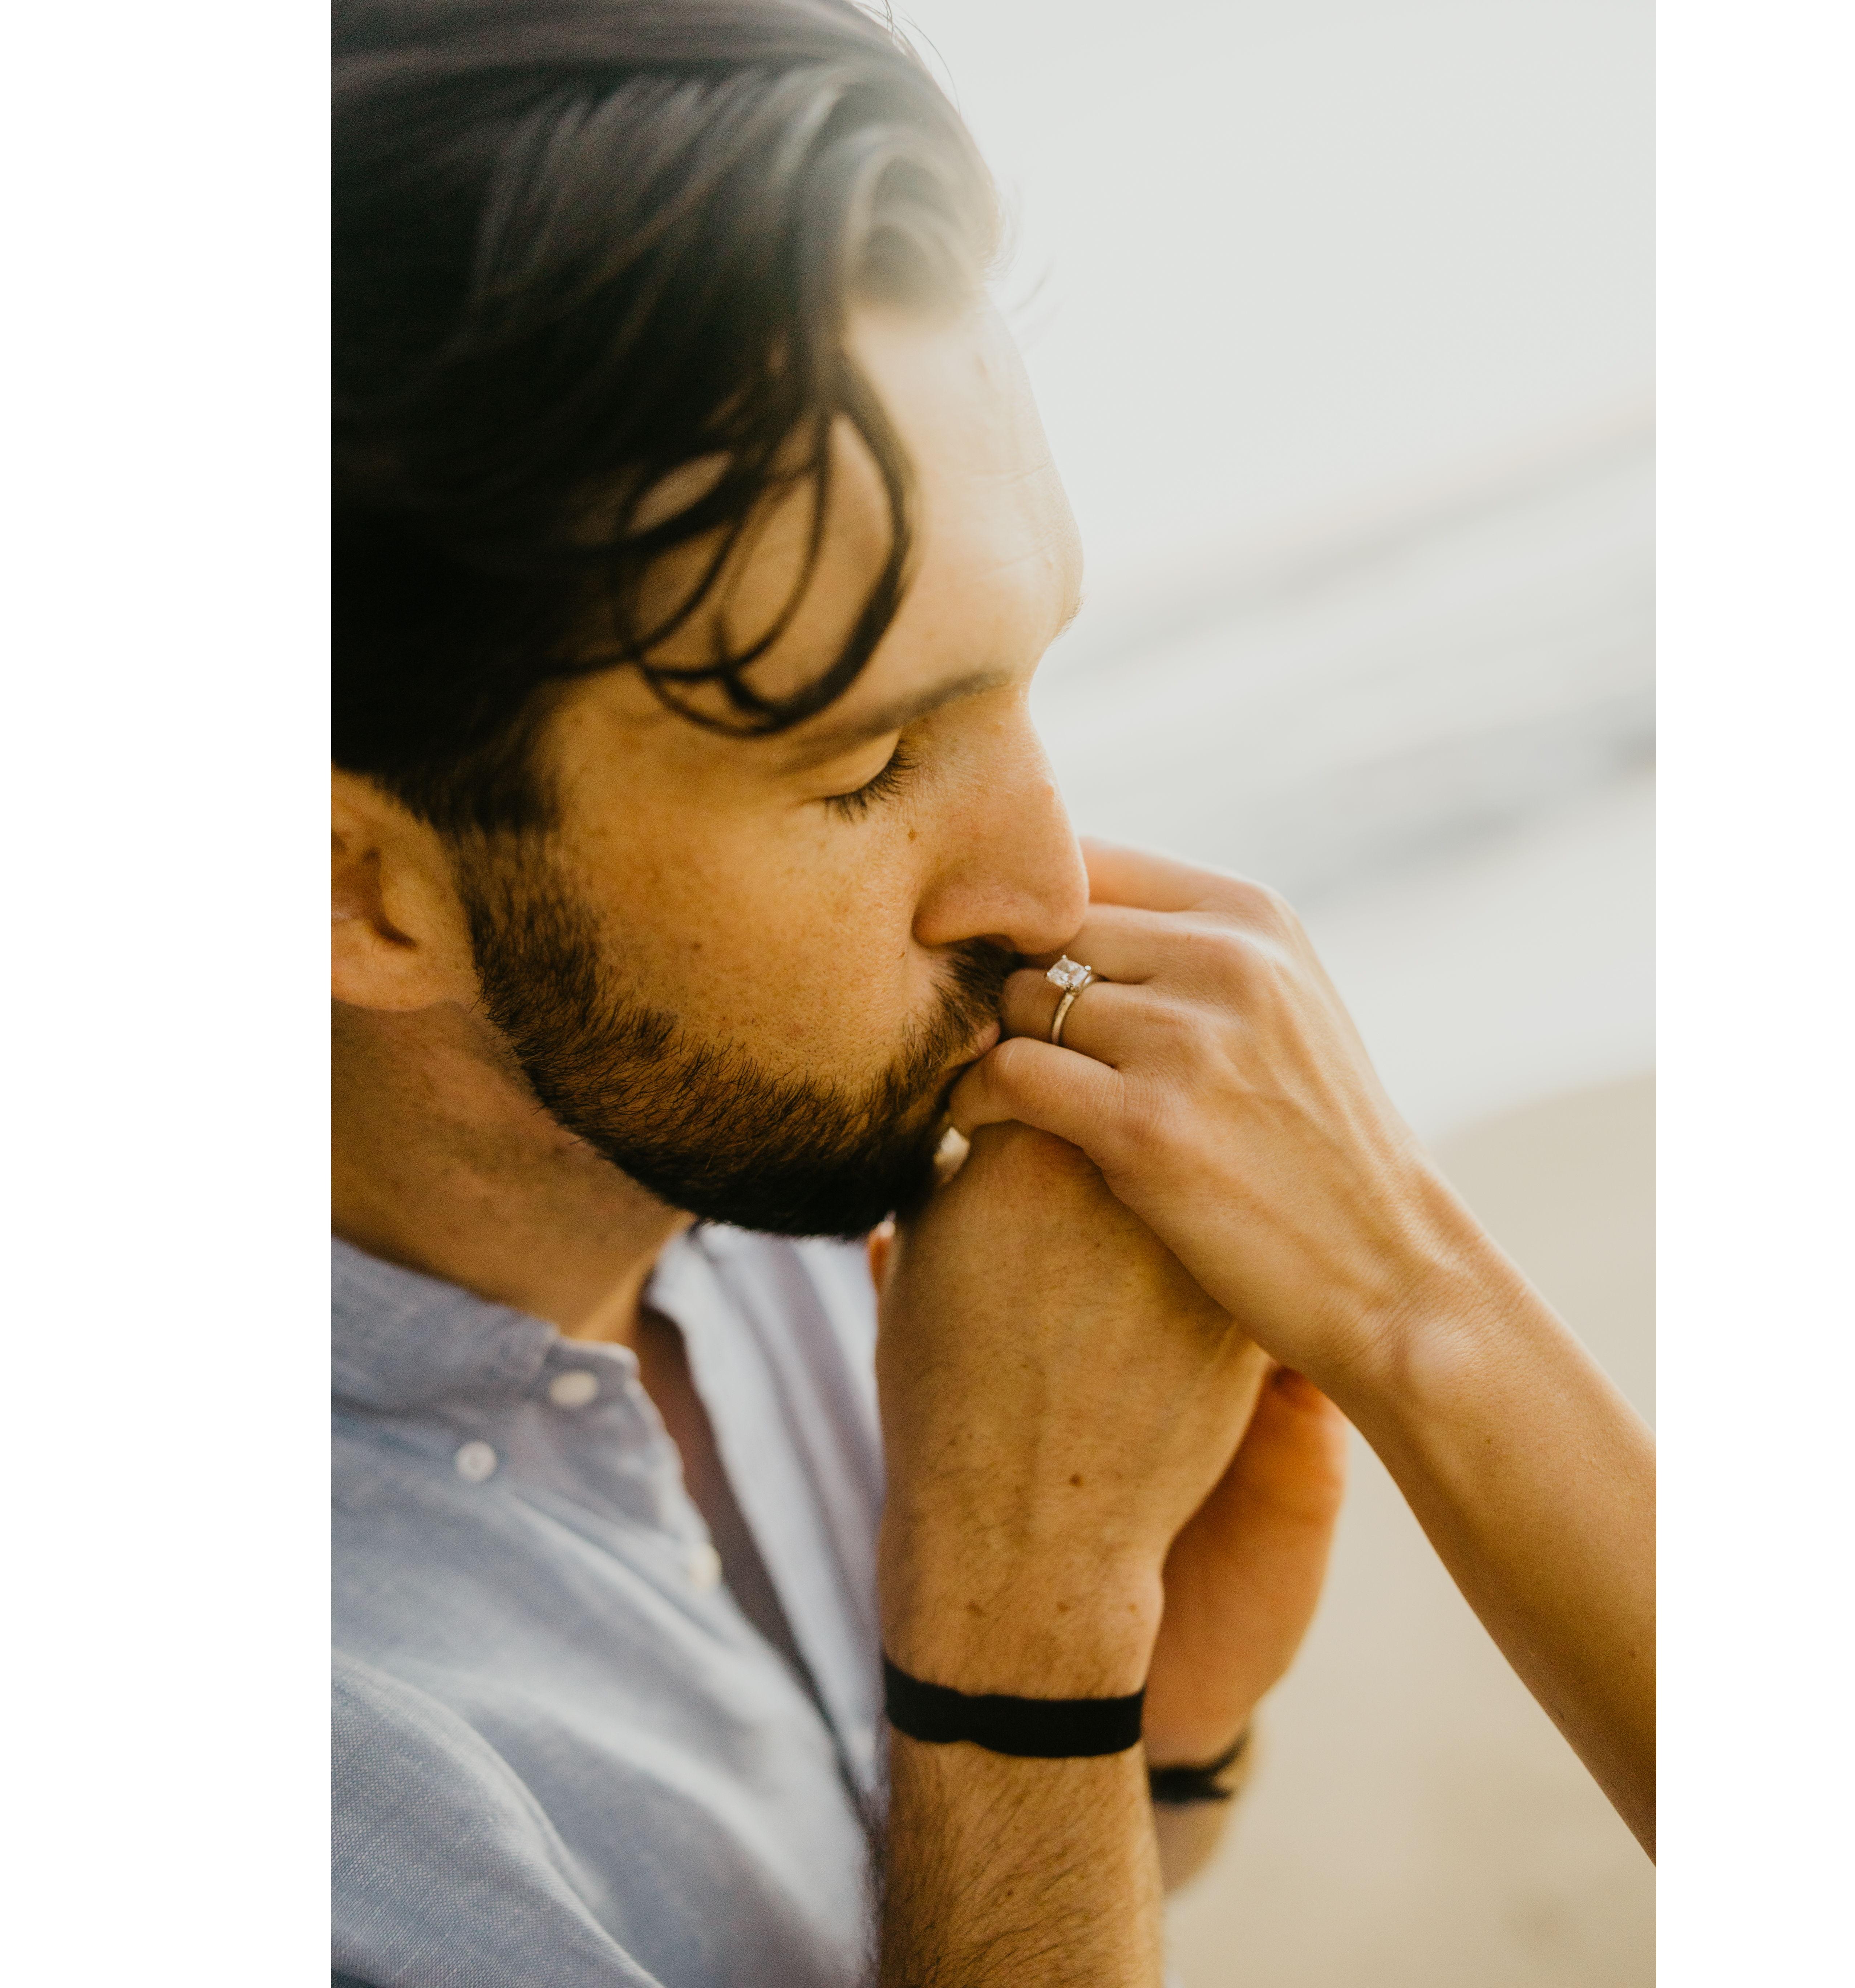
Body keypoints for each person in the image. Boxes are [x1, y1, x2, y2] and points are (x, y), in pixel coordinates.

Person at [332, 2, 1652, 1983]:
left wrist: (1149, 1747)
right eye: (865, 764)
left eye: (1026, 680)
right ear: (354, 889)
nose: (1047, 887)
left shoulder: (754, 1155)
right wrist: (1023, 1631)